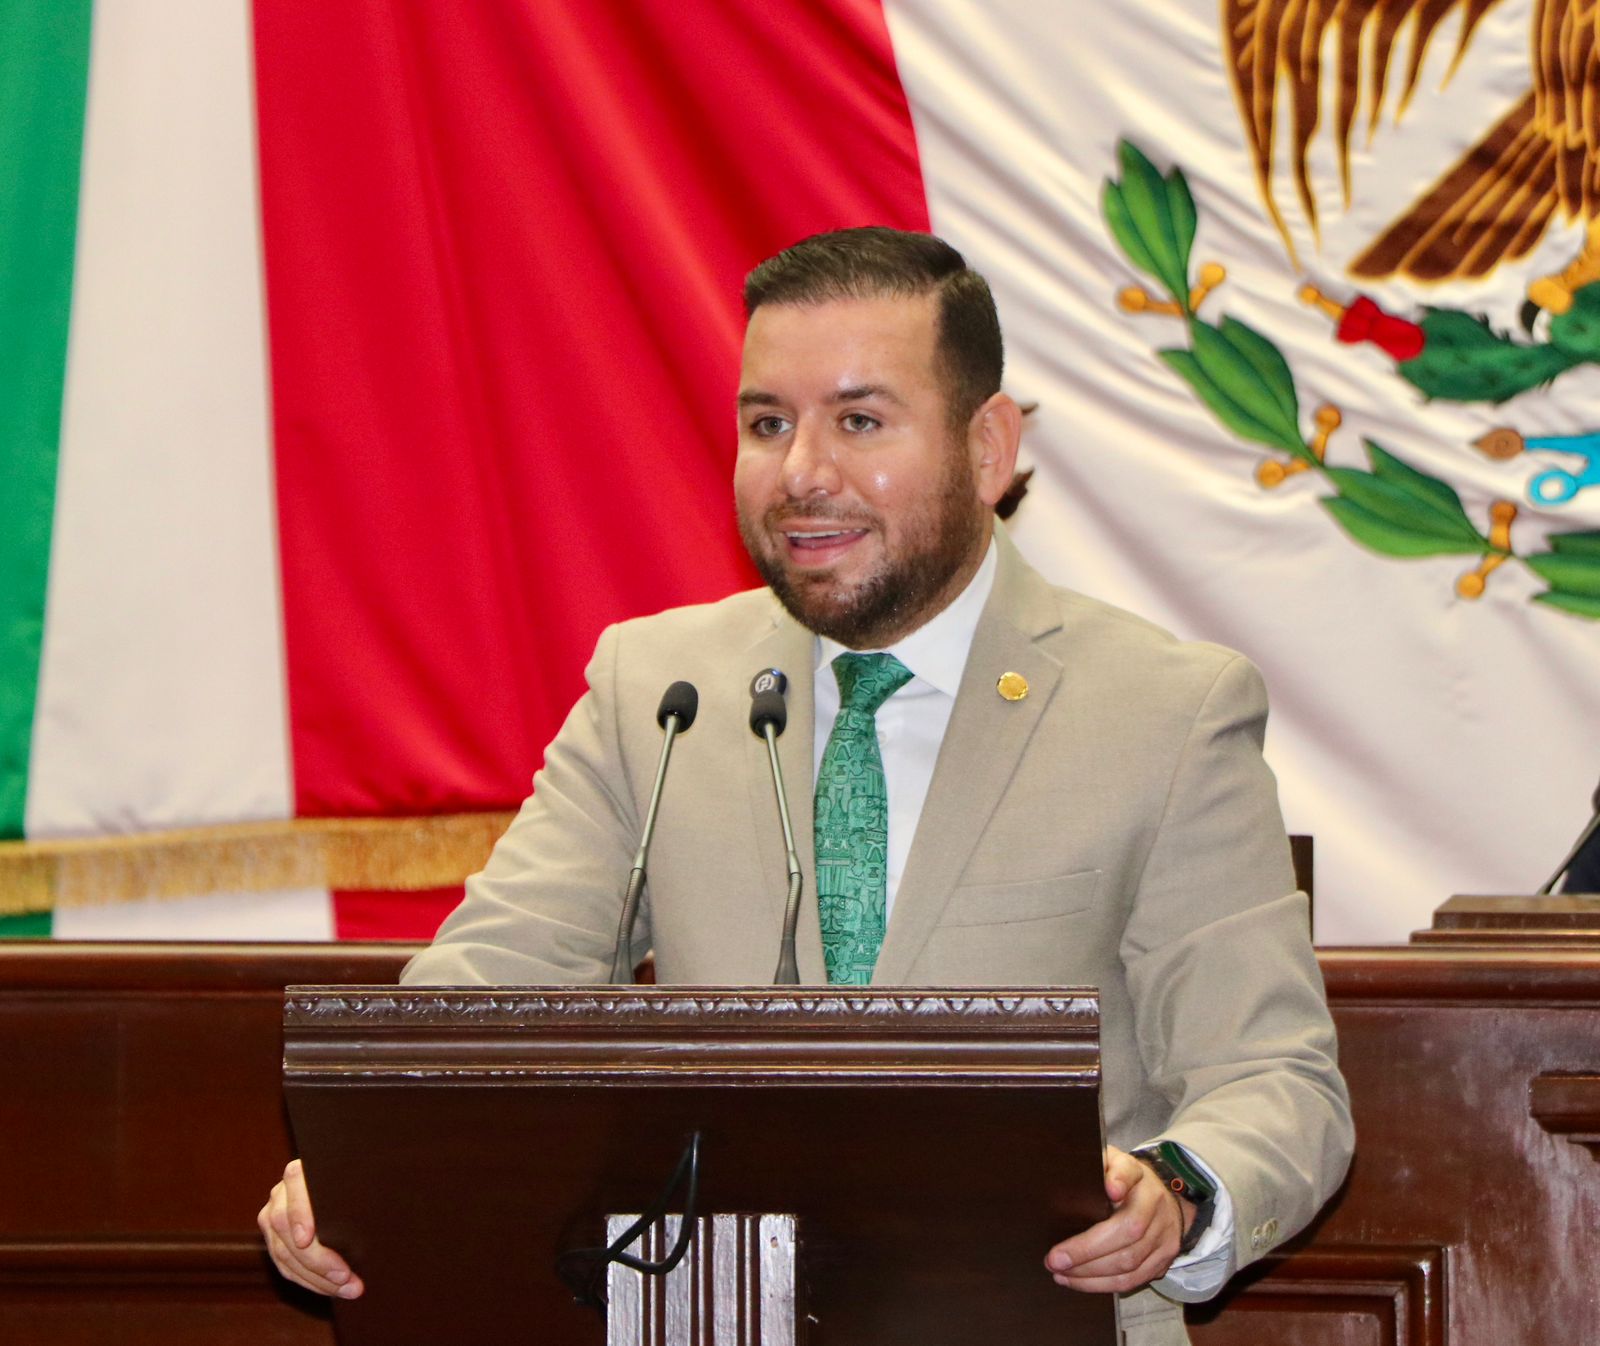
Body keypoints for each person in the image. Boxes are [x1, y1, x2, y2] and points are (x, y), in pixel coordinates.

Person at [260, 227, 1352, 1345]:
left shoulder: (1164, 712)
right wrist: (365, 1156)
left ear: (986, 447)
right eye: (767, 424)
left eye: (859, 421)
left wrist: (1175, 1190)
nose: (801, 473)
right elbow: (485, 993)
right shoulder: (660, 691)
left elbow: (1275, 1081)